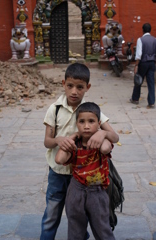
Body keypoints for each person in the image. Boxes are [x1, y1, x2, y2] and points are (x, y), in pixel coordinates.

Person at [40, 63, 119, 240]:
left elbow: (115, 137)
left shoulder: (90, 110)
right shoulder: (55, 109)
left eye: (80, 87)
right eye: (70, 86)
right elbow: (47, 141)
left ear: (87, 87)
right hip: (58, 172)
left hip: (82, 177)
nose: (74, 91)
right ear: (63, 84)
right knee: (52, 214)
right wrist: (58, 140)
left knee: (77, 215)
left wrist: (103, 132)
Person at [55, 102, 116, 240]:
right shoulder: (74, 145)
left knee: (102, 229)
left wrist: (102, 133)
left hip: (97, 191)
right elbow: (59, 159)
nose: (86, 126)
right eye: (82, 121)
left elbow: (106, 149)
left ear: (99, 123)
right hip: (76, 190)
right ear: (77, 124)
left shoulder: (102, 142)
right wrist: (71, 138)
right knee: (75, 229)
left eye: (91, 121)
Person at [130, 23, 156, 109]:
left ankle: (135, 98)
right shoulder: (154, 39)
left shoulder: (140, 40)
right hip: (152, 62)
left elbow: (139, 54)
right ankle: (151, 102)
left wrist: (136, 65)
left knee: (139, 80)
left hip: (143, 63)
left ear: (143, 30)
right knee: (151, 83)